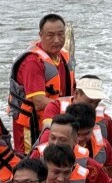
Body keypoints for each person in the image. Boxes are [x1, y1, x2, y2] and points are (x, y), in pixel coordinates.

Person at [8, 13, 75, 153]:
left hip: (54, 121)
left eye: (61, 34)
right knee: (31, 163)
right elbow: (38, 101)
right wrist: (72, 106)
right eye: (50, 35)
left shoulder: (63, 56)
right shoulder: (33, 62)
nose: (56, 40)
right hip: (31, 126)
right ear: (41, 35)